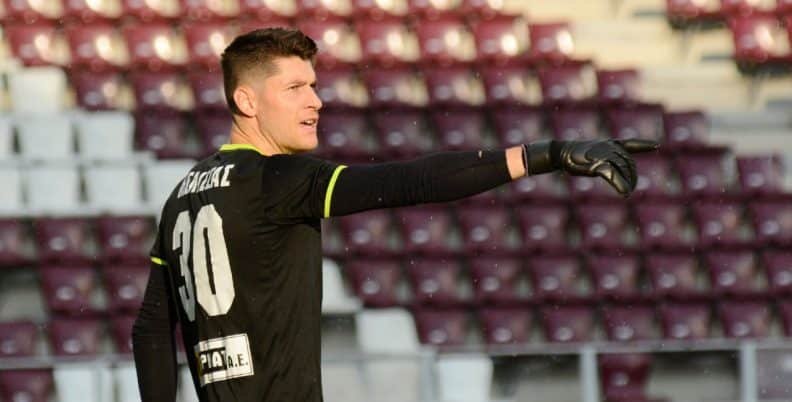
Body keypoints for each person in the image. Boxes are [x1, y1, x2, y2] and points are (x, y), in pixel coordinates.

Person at [132, 27, 658, 402]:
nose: (316, 101)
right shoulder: (277, 179)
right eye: (295, 88)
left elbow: (152, 328)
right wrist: (547, 154)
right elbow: (409, 181)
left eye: (313, 85)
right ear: (247, 101)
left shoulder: (180, 196)